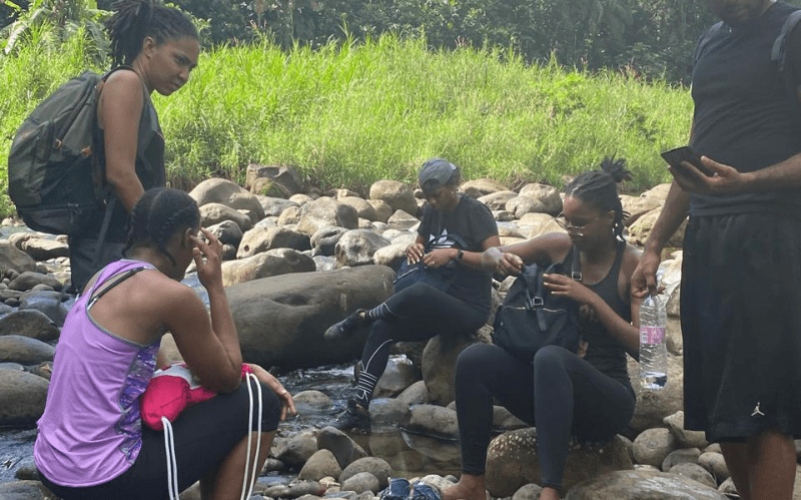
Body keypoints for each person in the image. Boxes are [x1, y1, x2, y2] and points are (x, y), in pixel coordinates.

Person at [632, 2, 801, 499]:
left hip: (770, 235)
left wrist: (748, 181)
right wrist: (656, 242)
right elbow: (697, 152)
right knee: (721, 404)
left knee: (767, 403)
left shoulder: (792, 30)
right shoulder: (711, 40)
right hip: (707, 236)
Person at [34, 188, 296, 500]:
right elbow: (225, 380)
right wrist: (214, 286)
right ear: (189, 239)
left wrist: (247, 368)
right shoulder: (173, 296)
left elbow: (164, 372)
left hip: (54, 466)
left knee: (216, 396)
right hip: (104, 479)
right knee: (259, 400)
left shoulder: (102, 277)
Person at [442, 159, 642, 500]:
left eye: (581, 224)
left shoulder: (634, 265)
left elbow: (651, 350)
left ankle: (551, 490)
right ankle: (472, 483)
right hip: (548, 395)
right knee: (474, 358)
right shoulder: (557, 246)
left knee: (551, 358)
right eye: (567, 222)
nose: (573, 231)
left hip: (606, 403)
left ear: (610, 219)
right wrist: (499, 259)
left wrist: (593, 301)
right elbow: (489, 255)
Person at [323, 158, 501, 430]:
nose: (432, 201)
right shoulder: (431, 212)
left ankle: (363, 317)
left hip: (468, 307)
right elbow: (419, 246)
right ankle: (358, 406)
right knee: (383, 328)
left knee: (417, 293)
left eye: (437, 195)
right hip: (432, 299)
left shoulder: (476, 213)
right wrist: (413, 250)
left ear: (454, 186)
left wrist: (455, 254)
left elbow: (496, 259)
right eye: (427, 197)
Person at [68, 0, 200, 293]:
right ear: (149, 47)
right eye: (179, 61)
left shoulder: (137, 89)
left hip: (118, 243)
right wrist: (162, 243)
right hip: (110, 245)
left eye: (191, 67)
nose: (185, 75)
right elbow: (120, 174)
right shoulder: (126, 83)